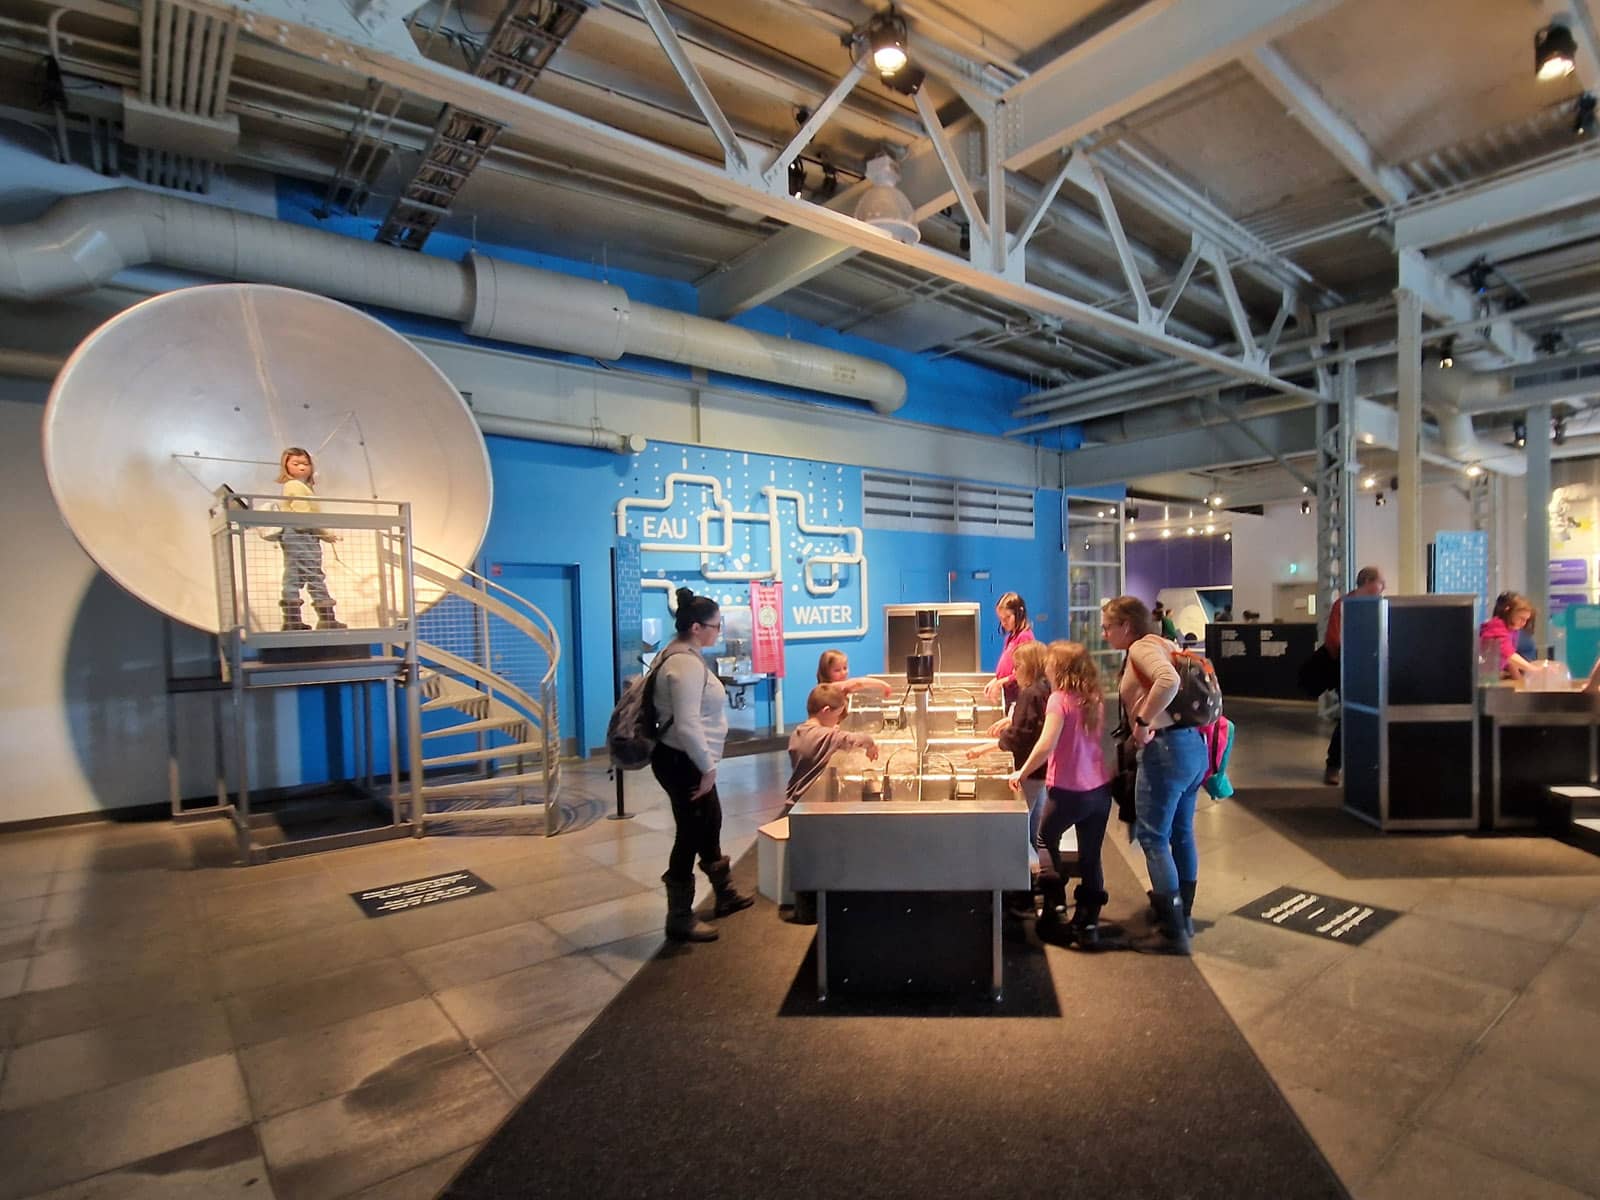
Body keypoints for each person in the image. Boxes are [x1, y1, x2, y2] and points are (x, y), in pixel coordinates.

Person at [1101, 595, 1202, 955]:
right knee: (1181, 832)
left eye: (1108, 627)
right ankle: (1181, 915)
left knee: (1153, 837)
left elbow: (1168, 680)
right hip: (1191, 747)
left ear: (1126, 625)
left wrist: (1143, 721)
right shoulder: (1164, 642)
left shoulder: (1141, 648)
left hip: (1165, 753)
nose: (1104, 633)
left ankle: (1172, 931)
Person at [651, 587, 753, 943]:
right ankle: (679, 916)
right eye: (715, 625)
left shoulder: (680, 656)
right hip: (684, 762)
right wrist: (707, 768)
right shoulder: (683, 664)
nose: (719, 631)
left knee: (709, 823)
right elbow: (687, 724)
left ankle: (725, 894)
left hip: (687, 759)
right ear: (696, 627)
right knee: (690, 833)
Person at [1007, 640, 1113, 947]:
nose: (1047, 667)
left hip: (1068, 790)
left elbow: (1046, 744)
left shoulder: (1059, 700)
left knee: (1044, 840)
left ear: (1061, 668)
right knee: (1091, 856)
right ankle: (1088, 924)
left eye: (1051, 663)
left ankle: (1054, 915)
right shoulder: (1093, 697)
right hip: (1099, 791)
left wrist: (1022, 772)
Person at [964, 641, 1049, 855]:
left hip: (1030, 770)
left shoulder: (1030, 694)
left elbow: (1019, 736)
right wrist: (1010, 720)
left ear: (1030, 666)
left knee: (1021, 829)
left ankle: (1029, 868)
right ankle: (1038, 863)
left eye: (1017, 667)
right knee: (1036, 826)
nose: (1013, 673)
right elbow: (1034, 724)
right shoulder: (1043, 689)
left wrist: (983, 749)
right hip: (1043, 769)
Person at [1321, 565, 1386, 787]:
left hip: (1372, 670)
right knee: (1348, 716)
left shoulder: (1379, 605)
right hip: (1349, 670)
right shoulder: (1343, 605)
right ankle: (1334, 765)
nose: (1383, 587)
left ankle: (1369, 765)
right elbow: (1333, 641)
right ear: (1367, 582)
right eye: (1380, 583)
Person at [275, 447, 345, 631]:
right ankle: (327, 619)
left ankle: (292, 621)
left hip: (296, 535)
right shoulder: (295, 486)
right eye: (296, 463)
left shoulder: (299, 486)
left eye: (305, 464)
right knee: (313, 575)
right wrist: (324, 533)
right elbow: (304, 516)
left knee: (294, 576)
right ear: (286, 466)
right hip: (301, 535)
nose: (301, 467)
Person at [784, 683, 879, 811]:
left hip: (794, 802)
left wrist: (830, 730)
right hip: (809, 805)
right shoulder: (827, 736)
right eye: (837, 715)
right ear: (826, 711)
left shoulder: (798, 732)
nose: (838, 720)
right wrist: (871, 745)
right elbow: (859, 739)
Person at [982, 592, 1036, 705]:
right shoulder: (1010, 637)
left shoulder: (1024, 637)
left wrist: (1000, 683)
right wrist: (996, 680)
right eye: (1001, 619)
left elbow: (1025, 672)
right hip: (1009, 696)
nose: (1004, 623)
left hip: (1018, 697)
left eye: (1007, 617)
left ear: (1019, 613)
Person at [1480, 592, 1535, 682]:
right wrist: (1533, 669)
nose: (1524, 623)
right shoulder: (1496, 626)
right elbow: (1508, 655)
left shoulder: (1512, 630)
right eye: (1521, 618)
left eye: (1526, 620)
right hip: (1482, 676)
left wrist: (1519, 680)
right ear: (1508, 611)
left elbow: (1510, 661)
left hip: (1492, 675)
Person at [816, 649, 893, 698]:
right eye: (837, 670)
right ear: (825, 672)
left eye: (845, 668)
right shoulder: (829, 688)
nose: (843, 673)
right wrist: (883, 684)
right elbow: (858, 683)